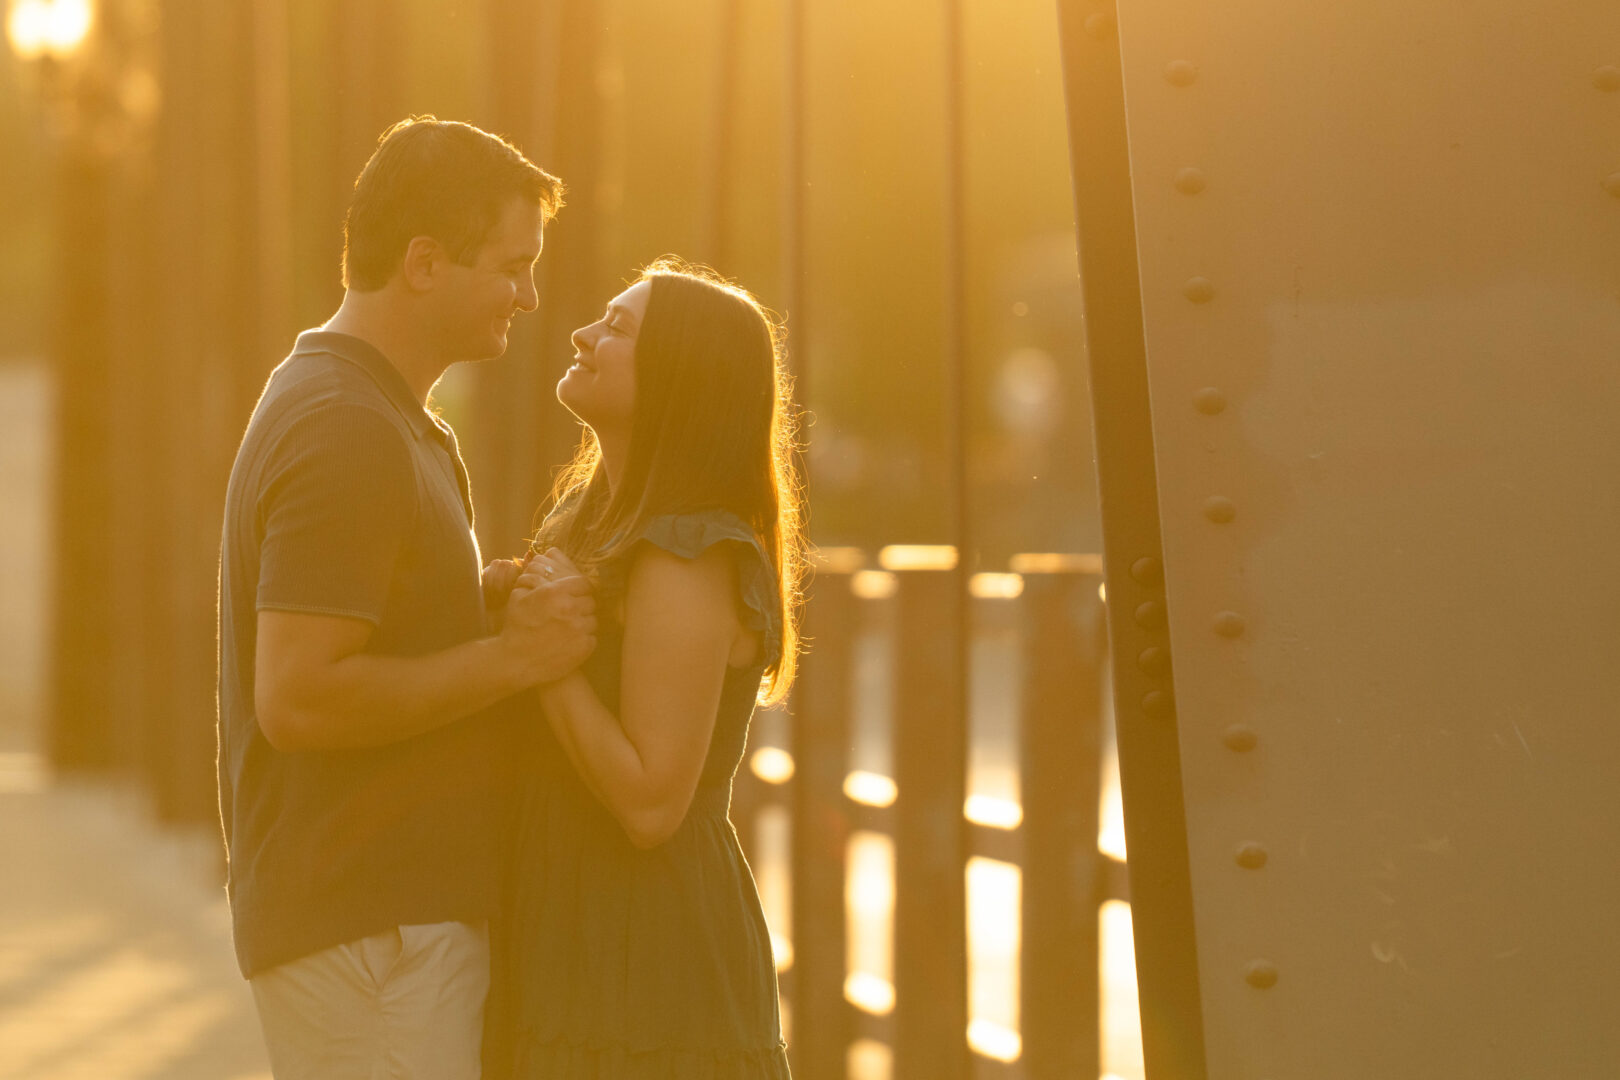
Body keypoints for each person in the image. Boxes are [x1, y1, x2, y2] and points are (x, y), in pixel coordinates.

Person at [217, 116, 595, 1079]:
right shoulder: (347, 427)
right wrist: (513, 658)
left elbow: (364, 622)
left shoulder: (383, 415)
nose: (530, 294)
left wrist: (475, 604)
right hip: (369, 929)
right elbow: (299, 695)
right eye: (512, 266)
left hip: (384, 924)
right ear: (425, 263)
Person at [485, 258, 806, 1077]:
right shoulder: (587, 521)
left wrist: (540, 655)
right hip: (563, 930)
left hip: (648, 957)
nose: (582, 335)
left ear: (677, 377)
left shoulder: (686, 556)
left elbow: (652, 803)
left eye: (618, 328)